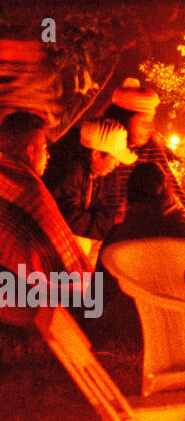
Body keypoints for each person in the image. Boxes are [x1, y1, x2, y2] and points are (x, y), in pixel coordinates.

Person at [89, 162, 185, 348]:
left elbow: (98, 296)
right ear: (168, 190)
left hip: (128, 328)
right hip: (182, 324)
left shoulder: (119, 235)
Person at [0, 112, 96, 327]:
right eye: (44, 149)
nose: (48, 156)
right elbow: (62, 258)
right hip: (20, 305)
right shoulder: (30, 191)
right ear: (30, 151)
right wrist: (90, 290)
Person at [99, 78, 185, 224]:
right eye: (144, 122)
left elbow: (175, 196)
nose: (150, 128)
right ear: (124, 120)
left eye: (151, 122)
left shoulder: (151, 151)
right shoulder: (102, 152)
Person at [42, 117, 136, 241]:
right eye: (114, 158)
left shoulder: (93, 173)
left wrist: (113, 218)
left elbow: (95, 205)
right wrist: (110, 223)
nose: (117, 164)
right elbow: (67, 215)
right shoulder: (72, 169)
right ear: (96, 154)